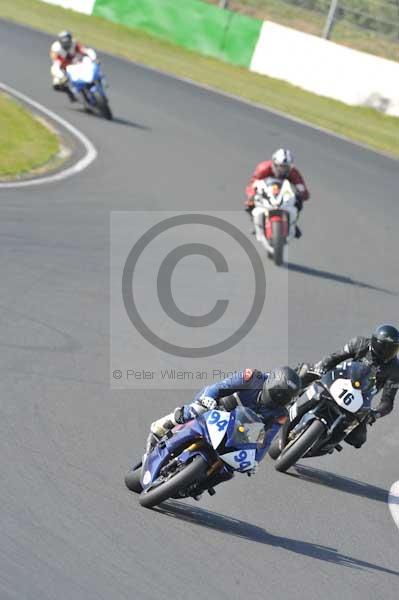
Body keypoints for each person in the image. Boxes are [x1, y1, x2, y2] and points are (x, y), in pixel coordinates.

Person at [146, 366, 301, 453]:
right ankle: (162, 425)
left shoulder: (281, 415)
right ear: (271, 383)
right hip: (217, 408)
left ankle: (200, 481)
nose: (278, 399)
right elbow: (219, 387)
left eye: (283, 399)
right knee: (196, 409)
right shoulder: (252, 377)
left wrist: (255, 460)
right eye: (277, 394)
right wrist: (207, 400)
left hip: (238, 432)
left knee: (231, 468)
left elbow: (264, 442)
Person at [311, 324, 399, 448]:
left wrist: (375, 414)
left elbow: (388, 402)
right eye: (385, 346)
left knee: (359, 439)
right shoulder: (360, 343)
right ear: (375, 342)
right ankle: (289, 399)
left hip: (361, 399)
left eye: (393, 349)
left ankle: (327, 443)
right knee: (307, 372)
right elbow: (335, 357)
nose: (388, 352)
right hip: (339, 380)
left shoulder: (395, 369)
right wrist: (321, 367)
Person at [245, 148, 310, 238]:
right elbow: (253, 183)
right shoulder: (263, 168)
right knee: (249, 204)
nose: (283, 170)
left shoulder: (293, 172)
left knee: (298, 202)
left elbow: (301, 187)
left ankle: (293, 223)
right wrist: (251, 195)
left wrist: (301, 194)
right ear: (274, 164)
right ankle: (256, 223)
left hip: (283, 191)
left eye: (286, 167)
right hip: (266, 190)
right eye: (280, 166)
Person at [50, 31, 96, 102]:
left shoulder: (75, 43)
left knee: (88, 66)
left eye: (67, 42)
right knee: (56, 85)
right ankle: (70, 93)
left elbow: (85, 50)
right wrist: (61, 76)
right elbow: (55, 64)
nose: (66, 44)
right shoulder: (56, 48)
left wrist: (93, 59)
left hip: (76, 63)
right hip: (64, 67)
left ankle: (94, 83)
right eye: (64, 42)